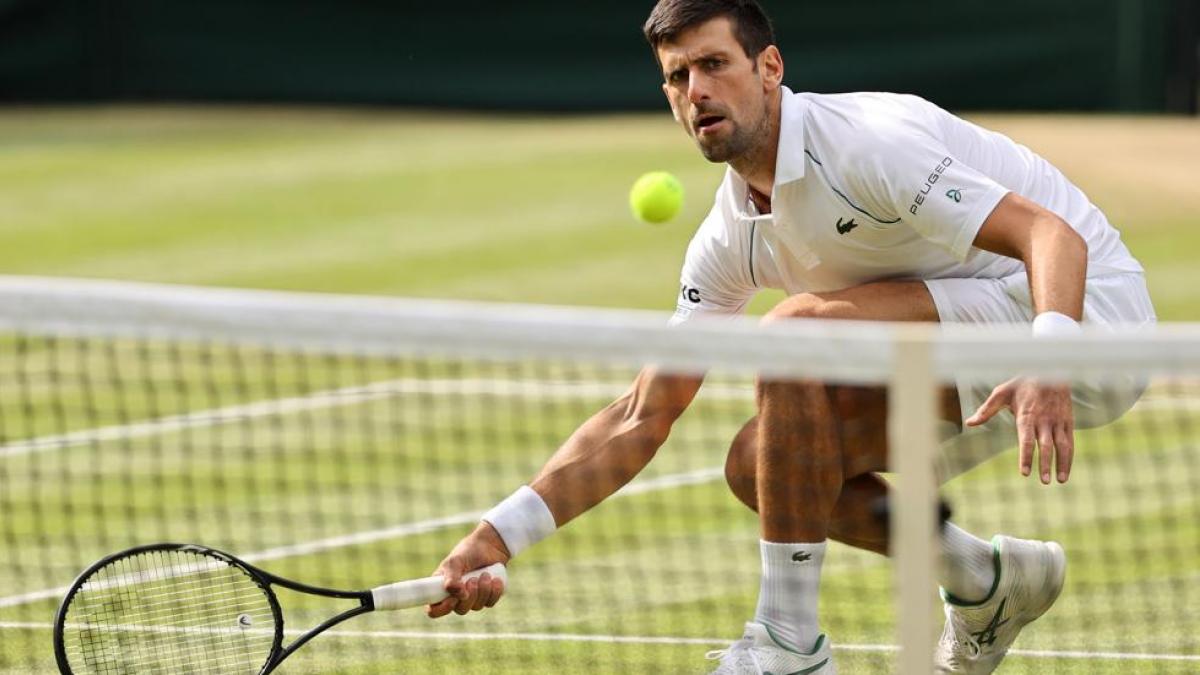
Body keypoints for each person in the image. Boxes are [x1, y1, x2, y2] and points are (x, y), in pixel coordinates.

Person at [425, 1, 1156, 673]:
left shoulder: (867, 146)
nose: (697, 90)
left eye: (715, 64)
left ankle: (787, 640)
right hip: (977, 356)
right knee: (761, 463)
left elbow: (1048, 232)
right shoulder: (727, 238)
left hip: (1084, 319)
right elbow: (642, 412)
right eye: (678, 76)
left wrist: (1051, 355)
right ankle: (987, 581)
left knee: (792, 329)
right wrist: (496, 536)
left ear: (769, 68)